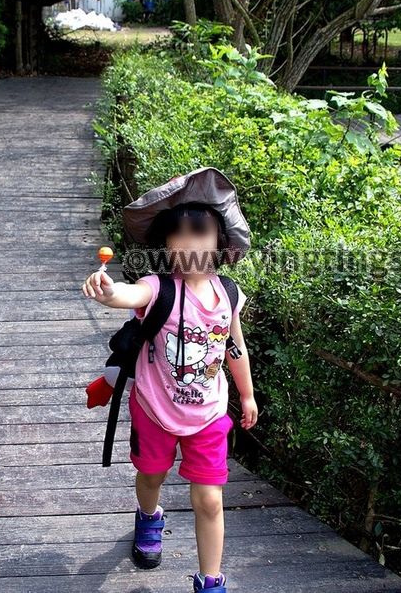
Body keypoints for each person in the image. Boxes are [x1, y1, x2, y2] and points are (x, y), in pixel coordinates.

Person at [81, 167, 259, 593]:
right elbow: (128, 294)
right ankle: (149, 516)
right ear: (166, 243)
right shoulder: (157, 288)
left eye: (199, 228)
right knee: (151, 476)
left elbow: (234, 348)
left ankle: (210, 581)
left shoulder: (229, 295)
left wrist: (247, 395)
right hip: (156, 409)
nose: (188, 239)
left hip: (210, 414)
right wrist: (108, 292)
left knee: (209, 499)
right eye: (177, 231)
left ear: (219, 240)